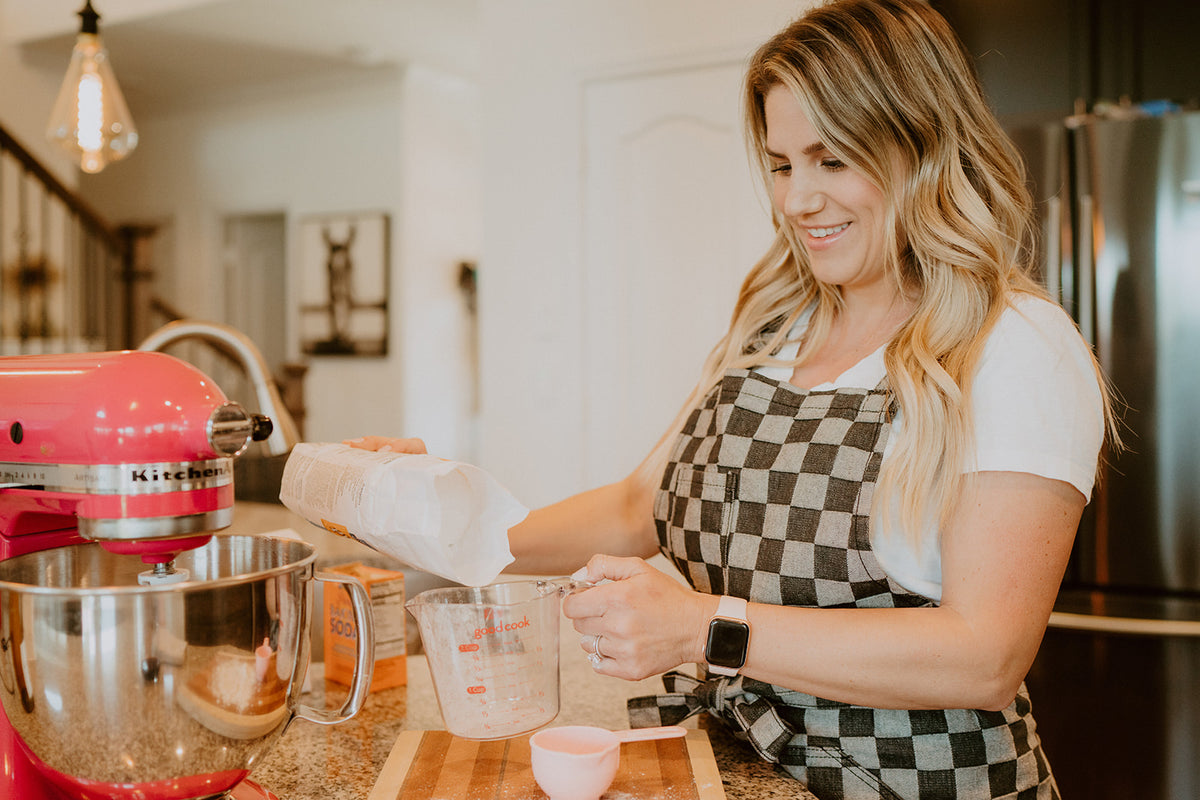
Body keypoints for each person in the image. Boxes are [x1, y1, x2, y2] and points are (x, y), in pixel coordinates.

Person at [349, 1, 1119, 797]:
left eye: (832, 160)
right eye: (783, 165)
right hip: (747, 770)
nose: (796, 201)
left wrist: (703, 628)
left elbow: (985, 654)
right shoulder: (776, 325)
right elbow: (635, 508)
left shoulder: (1013, 344)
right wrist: (427, 518)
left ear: (921, 147)